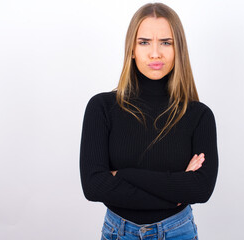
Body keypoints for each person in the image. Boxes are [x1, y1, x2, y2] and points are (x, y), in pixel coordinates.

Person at [79, 2, 219, 239]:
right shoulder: (102, 108)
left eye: (166, 42)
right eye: (144, 42)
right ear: (131, 49)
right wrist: (175, 191)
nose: (155, 53)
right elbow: (93, 187)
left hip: (177, 232)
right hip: (118, 233)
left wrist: (121, 174)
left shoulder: (199, 115)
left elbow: (201, 190)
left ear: (178, 49)